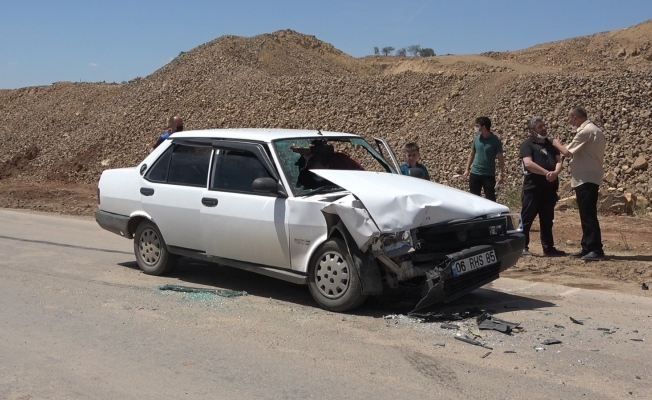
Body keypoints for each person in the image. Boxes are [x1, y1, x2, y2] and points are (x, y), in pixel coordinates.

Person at [552, 107, 606, 261]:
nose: (569, 121)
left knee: (588, 215)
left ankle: (595, 249)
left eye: (569, 118)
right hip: (586, 177)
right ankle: (587, 247)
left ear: (576, 117)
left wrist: (557, 144)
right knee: (585, 214)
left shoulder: (586, 131)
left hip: (586, 179)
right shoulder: (592, 129)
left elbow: (567, 152)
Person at [519, 117, 566, 257]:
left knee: (547, 219)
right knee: (526, 219)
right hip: (532, 188)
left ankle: (548, 248)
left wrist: (556, 172)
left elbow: (559, 161)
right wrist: (546, 173)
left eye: (544, 126)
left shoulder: (551, 144)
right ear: (532, 131)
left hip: (549, 189)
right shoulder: (527, 144)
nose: (544, 128)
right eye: (540, 127)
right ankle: (522, 247)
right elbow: (528, 164)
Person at [463, 116, 505, 202]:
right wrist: (467, 169)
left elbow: (500, 158)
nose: (476, 128)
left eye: (477, 126)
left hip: (488, 175)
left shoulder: (495, 141)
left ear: (484, 127)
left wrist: (501, 173)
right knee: (474, 198)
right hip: (475, 173)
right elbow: (472, 154)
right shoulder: (476, 139)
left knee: (490, 198)